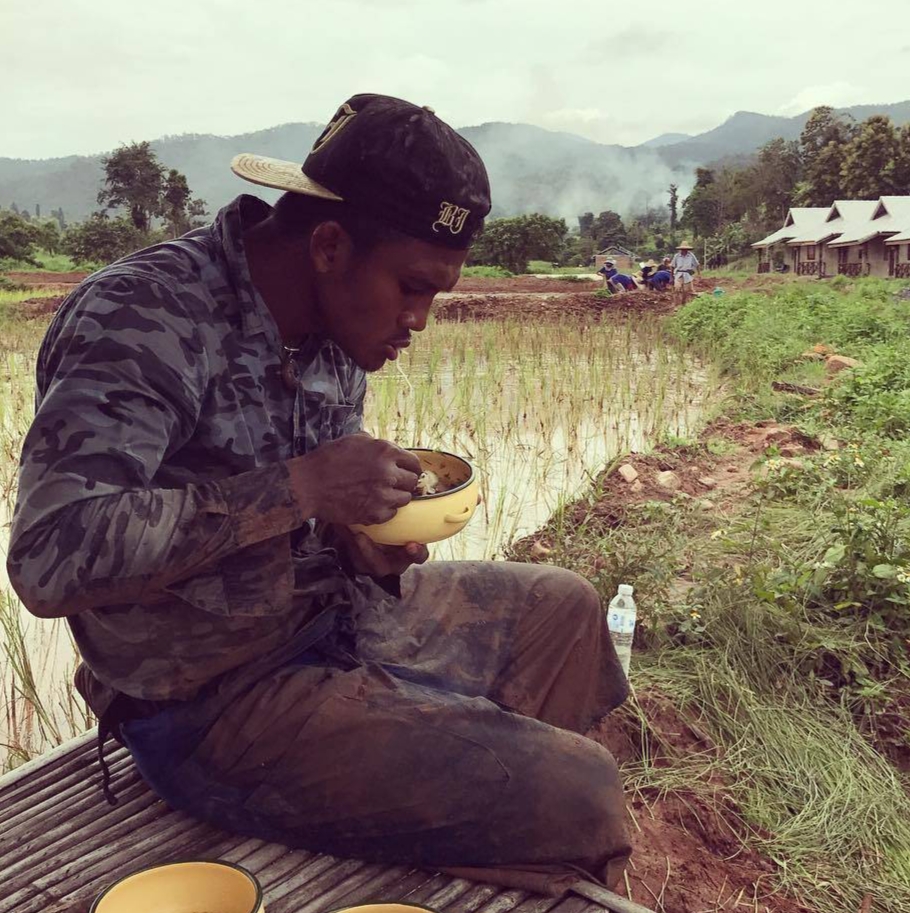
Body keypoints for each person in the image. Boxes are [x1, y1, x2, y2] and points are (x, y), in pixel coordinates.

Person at [8, 94, 631, 895]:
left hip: (331, 621)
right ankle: (509, 815)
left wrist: (362, 538)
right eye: (411, 287)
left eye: (435, 293)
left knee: (567, 609)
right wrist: (300, 485)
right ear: (330, 245)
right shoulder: (146, 317)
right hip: (211, 700)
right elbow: (50, 556)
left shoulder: (337, 334)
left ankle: (480, 801)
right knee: (583, 790)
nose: (420, 319)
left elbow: (306, 522)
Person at [671, 241, 701, 306]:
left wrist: (699, 274)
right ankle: (676, 305)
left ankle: (683, 303)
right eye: (683, 249)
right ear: (681, 249)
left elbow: (697, 264)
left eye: (685, 249)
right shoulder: (677, 256)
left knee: (685, 291)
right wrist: (671, 276)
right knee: (677, 289)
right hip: (678, 274)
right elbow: (672, 266)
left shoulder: (691, 255)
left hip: (687, 274)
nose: (684, 250)